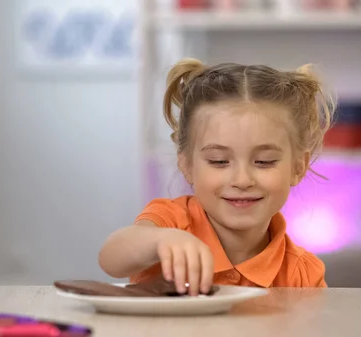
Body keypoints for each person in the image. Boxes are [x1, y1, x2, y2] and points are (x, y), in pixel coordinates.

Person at [99, 58, 334, 296]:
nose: (242, 180)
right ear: (187, 164)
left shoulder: (303, 273)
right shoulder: (171, 221)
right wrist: (159, 242)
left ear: (298, 167)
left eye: (264, 162)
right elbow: (111, 258)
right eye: (219, 161)